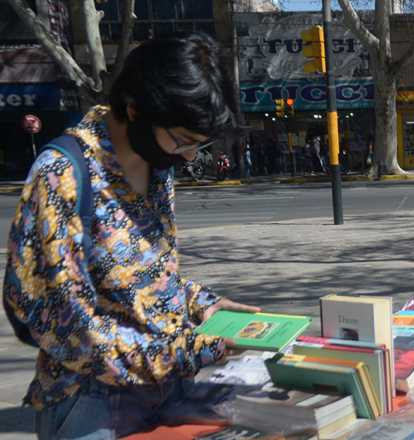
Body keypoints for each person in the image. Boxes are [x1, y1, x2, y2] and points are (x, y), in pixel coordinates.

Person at [2, 34, 261, 439]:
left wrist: (203, 305)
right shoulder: (62, 174)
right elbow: (69, 325)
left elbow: (141, 274)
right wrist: (194, 349)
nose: (189, 156)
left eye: (199, 144)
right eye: (182, 140)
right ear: (135, 108)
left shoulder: (157, 164)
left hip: (165, 388)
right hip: (92, 400)